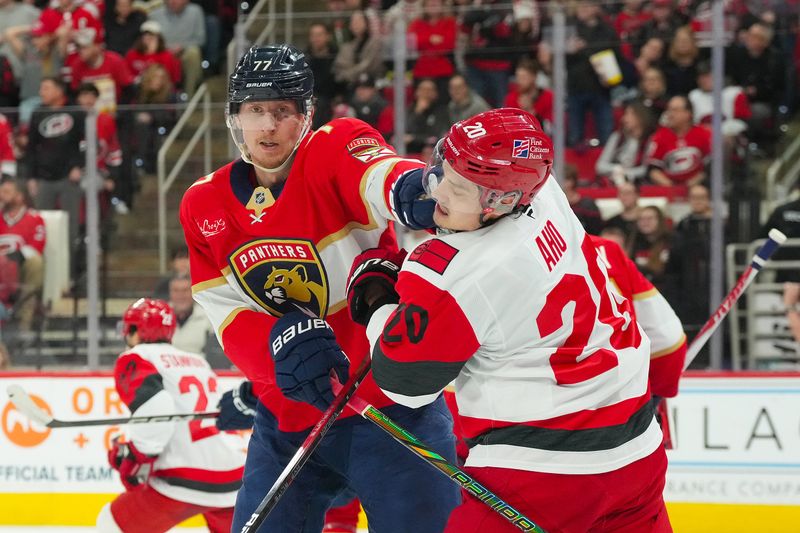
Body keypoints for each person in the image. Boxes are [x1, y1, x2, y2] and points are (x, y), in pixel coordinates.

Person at [345, 108, 671, 532]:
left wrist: (378, 301)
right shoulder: (543, 190)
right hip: (639, 456)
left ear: (499, 202)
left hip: (540, 472)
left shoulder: (462, 271)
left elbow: (403, 382)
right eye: (444, 170)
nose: (439, 192)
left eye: (459, 190)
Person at [179, 44, 459, 532]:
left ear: (305, 115)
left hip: (389, 404)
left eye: (282, 111)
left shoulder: (335, 147)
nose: (268, 125)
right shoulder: (203, 204)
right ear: (236, 118)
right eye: (255, 110)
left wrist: (415, 188)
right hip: (289, 419)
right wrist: (275, 351)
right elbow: (223, 311)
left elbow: (379, 174)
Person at [96, 298, 247, 533]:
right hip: (235, 476)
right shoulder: (197, 361)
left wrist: (136, 456)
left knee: (111, 524)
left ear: (134, 330)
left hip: (184, 478)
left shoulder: (137, 356)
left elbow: (156, 410)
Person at [0, 174, 45, 333]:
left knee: (36, 263)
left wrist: (10, 259)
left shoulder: (34, 218)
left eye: (6, 191)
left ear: (20, 196)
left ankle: (24, 325)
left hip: (20, 267)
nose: (1, 194)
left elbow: (36, 248)